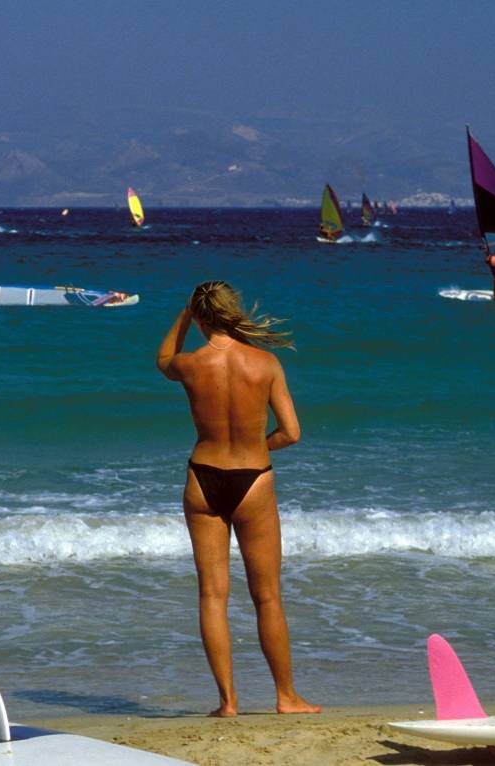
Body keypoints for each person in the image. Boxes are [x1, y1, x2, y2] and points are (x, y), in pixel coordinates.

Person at [156, 280, 320, 718]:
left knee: (212, 595)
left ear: (202, 316)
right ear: (233, 311)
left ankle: (227, 702)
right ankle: (287, 697)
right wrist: (259, 447)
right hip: (253, 479)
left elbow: (162, 359)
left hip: (203, 478)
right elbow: (292, 432)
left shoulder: (190, 365)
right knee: (266, 597)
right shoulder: (264, 364)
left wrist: (184, 315)